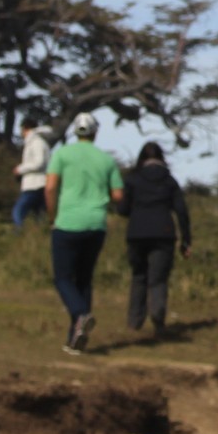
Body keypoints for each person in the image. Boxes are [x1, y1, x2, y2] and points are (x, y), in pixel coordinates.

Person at [44, 113, 124, 354]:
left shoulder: (62, 154)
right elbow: (118, 195)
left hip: (67, 222)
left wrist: (52, 216)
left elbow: (50, 187)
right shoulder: (106, 160)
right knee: (84, 280)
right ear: (95, 132)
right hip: (96, 224)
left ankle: (80, 315)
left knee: (63, 278)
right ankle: (76, 338)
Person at [122, 141, 192, 338]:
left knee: (138, 276)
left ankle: (134, 321)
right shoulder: (169, 180)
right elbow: (182, 211)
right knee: (158, 279)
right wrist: (186, 240)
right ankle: (158, 317)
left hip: (136, 233)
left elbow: (123, 209)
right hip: (163, 232)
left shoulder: (133, 179)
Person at [12, 120, 56, 230]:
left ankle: (18, 234)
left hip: (34, 185)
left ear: (26, 128)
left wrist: (20, 169)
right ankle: (40, 237)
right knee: (39, 215)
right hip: (40, 184)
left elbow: (38, 162)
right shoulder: (39, 142)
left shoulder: (36, 142)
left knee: (18, 211)